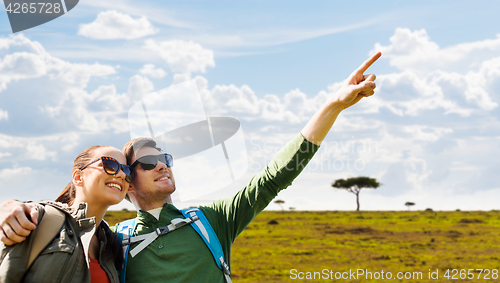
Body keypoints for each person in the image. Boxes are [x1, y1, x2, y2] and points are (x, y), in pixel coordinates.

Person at [0, 52, 381, 283]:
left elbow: (274, 176)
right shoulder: (114, 241)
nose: (163, 166)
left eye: (165, 159)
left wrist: (332, 106)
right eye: (148, 163)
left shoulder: (210, 220)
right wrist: (10, 206)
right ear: (130, 183)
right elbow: (65, 229)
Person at [0, 145, 132, 283]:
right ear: (78, 177)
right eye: (109, 165)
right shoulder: (36, 218)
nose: (122, 174)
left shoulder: (113, 245)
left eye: (127, 171)